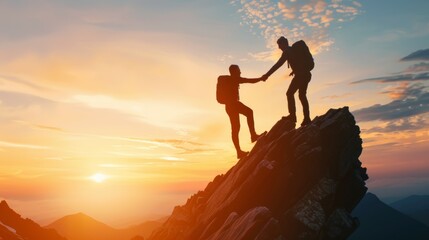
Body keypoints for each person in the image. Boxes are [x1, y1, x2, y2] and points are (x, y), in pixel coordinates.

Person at [217, 64, 266, 159]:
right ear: (234, 72)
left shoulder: (230, 79)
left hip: (230, 106)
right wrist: (261, 78)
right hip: (233, 105)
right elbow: (249, 80)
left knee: (236, 127)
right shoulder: (234, 79)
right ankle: (252, 137)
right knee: (247, 115)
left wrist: (260, 79)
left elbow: (248, 80)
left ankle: (240, 150)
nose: (240, 72)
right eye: (239, 71)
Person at [263, 36, 313, 126]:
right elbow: (299, 62)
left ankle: (293, 116)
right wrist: (294, 70)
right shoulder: (293, 51)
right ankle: (307, 118)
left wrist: (267, 75)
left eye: (279, 45)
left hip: (301, 76)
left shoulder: (287, 52)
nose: (279, 47)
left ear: (284, 43)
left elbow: (278, 65)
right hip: (306, 75)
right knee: (302, 95)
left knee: (290, 93)